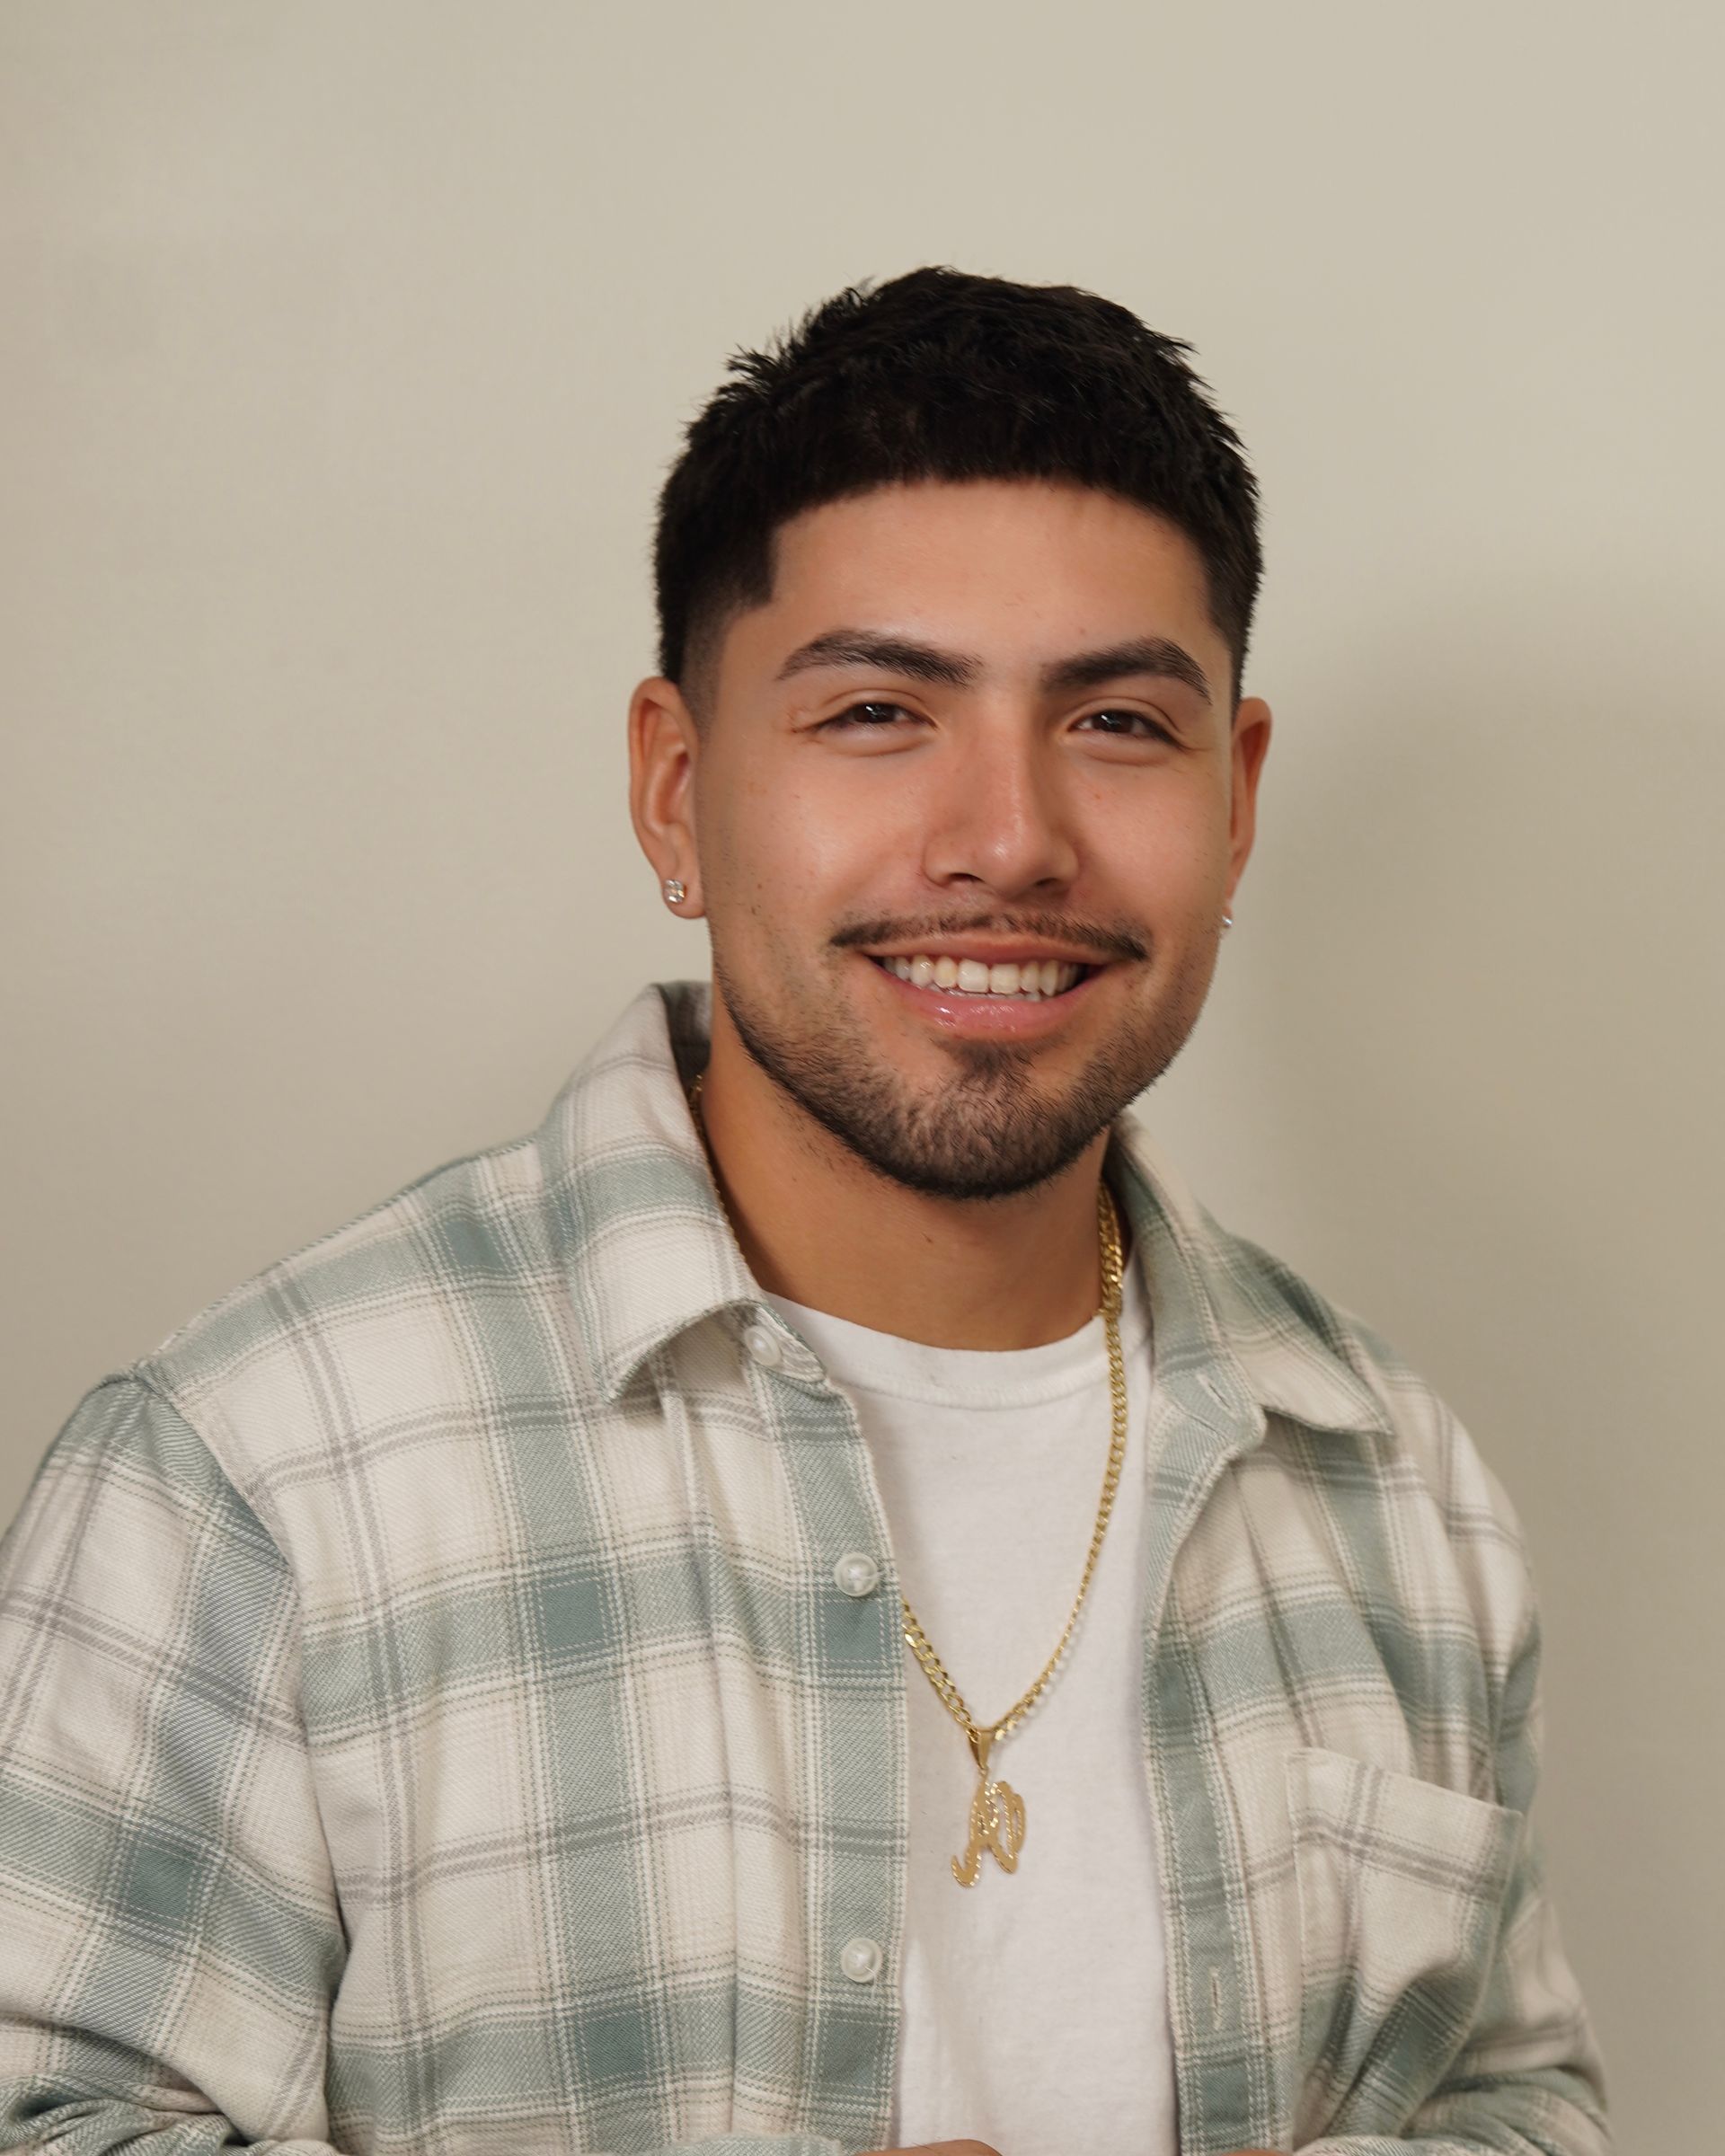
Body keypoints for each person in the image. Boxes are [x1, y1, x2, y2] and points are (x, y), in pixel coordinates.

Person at [0, 268, 1611, 2156]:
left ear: (1236, 802)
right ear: (678, 794)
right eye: (874, 713)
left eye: (1116, 726)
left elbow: (1523, 2103)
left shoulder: (1396, 1484)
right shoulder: (257, 1477)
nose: (1008, 836)